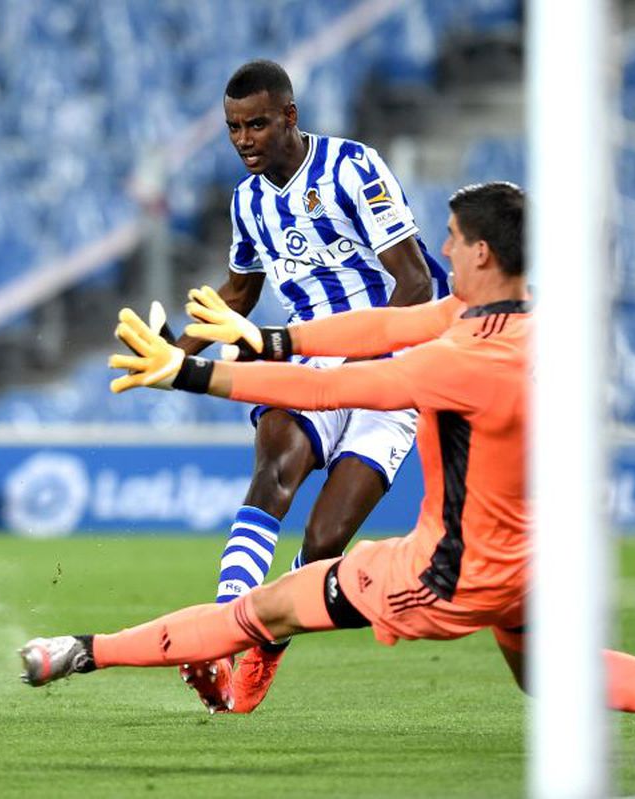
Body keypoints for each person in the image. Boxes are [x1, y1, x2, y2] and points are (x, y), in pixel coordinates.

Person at [20, 182, 635, 765]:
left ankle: (78, 651)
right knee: (547, 672)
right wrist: (263, 337)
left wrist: (187, 373)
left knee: (263, 606)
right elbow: (385, 321)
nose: (437, 247)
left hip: (446, 577)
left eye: (448, 236)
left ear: (479, 251)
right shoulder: (526, 320)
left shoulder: (461, 360)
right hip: (534, 560)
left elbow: (333, 386)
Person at [166, 59, 449, 712]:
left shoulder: (353, 168)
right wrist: (172, 355)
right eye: (234, 128)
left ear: (289, 116)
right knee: (275, 468)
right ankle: (218, 634)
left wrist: (360, 371)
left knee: (325, 541)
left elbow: (414, 282)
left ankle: (266, 641)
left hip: (390, 369)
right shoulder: (248, 203)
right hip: (306, 357)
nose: (244, 140)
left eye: (257, 124)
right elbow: (239, 292)